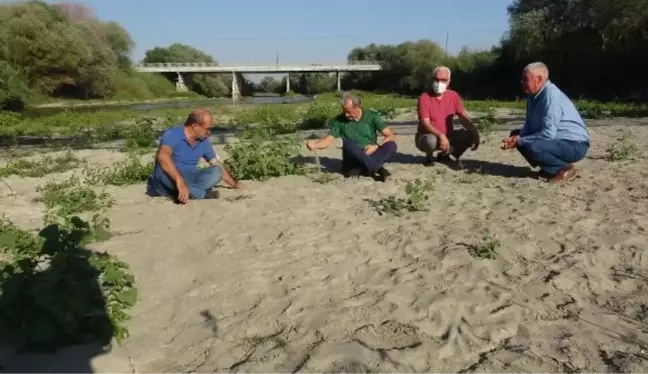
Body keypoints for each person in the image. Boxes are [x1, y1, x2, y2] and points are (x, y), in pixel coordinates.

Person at [502, 62, 590, 182]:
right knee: (518, 135)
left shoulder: (550, 97)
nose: (521, 82)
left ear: (539, 79)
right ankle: (549, 168)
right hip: (557, 141)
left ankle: (563, 169)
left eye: (525, 79)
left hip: (574, 144)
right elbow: (529, 125)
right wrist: (516, 138)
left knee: (532, 145)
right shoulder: (532, 96)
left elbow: (548, 134)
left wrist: (521, 140)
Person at [146, 108, 241, 203]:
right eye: (207, 129)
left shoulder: (203, 140)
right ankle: (198, 193)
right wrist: (179, 180)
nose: (209, 132)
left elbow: (214, 161)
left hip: (190, 177)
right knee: (165, 174)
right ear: (195, 126)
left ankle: (189, 191)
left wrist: (234, 184)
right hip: (171, 176)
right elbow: (163, 156)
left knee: (217, 171)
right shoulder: (173, 134)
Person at [306, 92, 397, 181]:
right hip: (352, 158)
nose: (346, 114)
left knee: (391, 145)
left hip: (371, 153)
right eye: (344, 111)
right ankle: (375, 168)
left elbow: (390, 135)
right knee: (349, 143)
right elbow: (328, 140)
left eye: (348, 111)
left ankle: (360, 169)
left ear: (358, 106)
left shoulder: (372, 116)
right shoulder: (338, 121)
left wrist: (376, 146)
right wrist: (315, 144)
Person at [416, 66, 480, 165]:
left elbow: (463, 117)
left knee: (469, 134)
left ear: (449, 81)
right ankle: (429, 156)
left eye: (443, 80)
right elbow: (425, 123)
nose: (439, 83)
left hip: (448, 135)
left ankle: (445, 155)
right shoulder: (424, 98)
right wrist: (441, 135)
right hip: (427, 135)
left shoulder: (453, 96)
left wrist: (475, 133)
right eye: (436, 79)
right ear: (432, 79)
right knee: (430, 141)